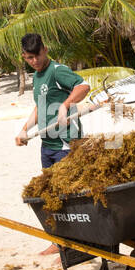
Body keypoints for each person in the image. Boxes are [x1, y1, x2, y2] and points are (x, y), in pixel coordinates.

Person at [14, 33, 90, 169]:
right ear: (24, 57)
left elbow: (83, 87)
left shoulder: (57, 71)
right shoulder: (37, 76)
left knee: (68, 189)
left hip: (66, 146)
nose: (35, 61)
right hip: (47, 146)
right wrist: (24, 130)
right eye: (30, 57)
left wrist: (64, 106)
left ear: (45, 50)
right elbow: (40, 107)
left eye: (38, 55)